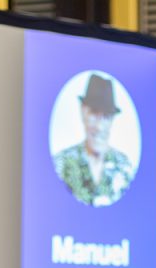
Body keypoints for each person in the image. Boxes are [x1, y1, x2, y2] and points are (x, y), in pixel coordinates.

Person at [53, 73, 137, 206]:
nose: (99, 126)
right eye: (93, 114)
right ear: (83, 112)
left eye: (106, 117)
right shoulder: (61, 164)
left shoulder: (124, 168)